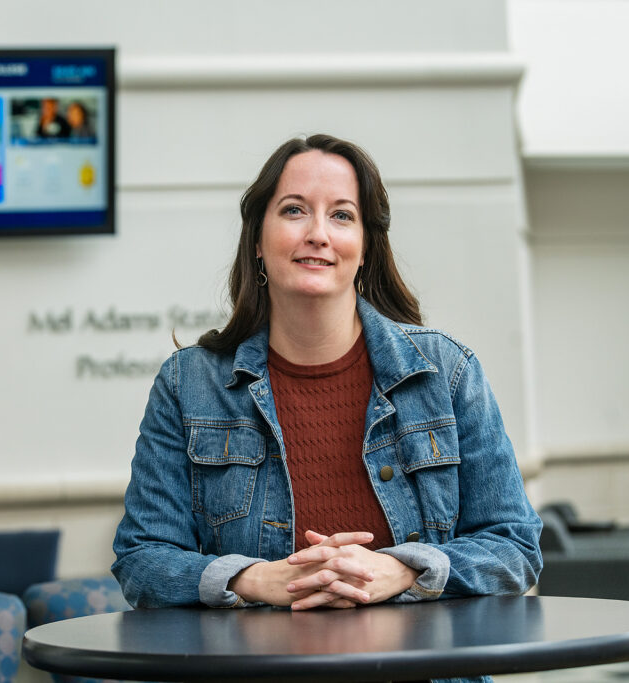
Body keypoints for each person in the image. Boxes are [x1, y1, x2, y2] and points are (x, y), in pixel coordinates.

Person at [112, 134, 542, 614]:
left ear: (364, 248)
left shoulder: (447, 371)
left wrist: (402, 570)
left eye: (342, 215)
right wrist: (257, 579)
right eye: (294, 210)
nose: (318, 233)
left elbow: (515, 546)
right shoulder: (187, 384)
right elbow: (142, 559)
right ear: (257, 239)